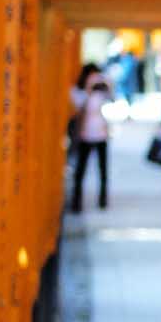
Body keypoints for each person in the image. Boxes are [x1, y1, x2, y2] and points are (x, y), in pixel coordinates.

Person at [69, 62, 112, 212]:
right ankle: (76, 201)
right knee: (80, 170)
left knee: (103, 170)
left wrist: (106, 83)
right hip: (84, 135)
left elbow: (112, 98)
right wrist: (88, 88)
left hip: (101, 134)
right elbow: (77, 106)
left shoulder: (100, 91)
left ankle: (103, 199)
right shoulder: (78, 91)